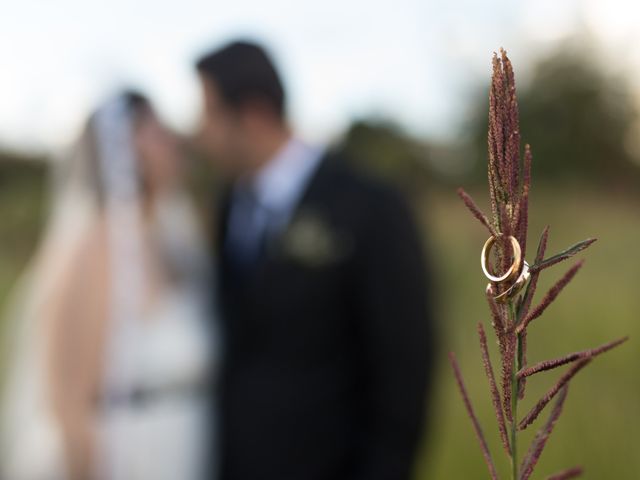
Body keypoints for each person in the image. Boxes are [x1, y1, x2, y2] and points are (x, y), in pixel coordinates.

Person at [196, 40, 435, 480]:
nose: (200, 132)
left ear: (252, 114)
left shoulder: (371, 206)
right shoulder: (229, 204)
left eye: (208, 113)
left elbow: (404, 368)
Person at [0, 92, 218, 480]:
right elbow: (66, 401)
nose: (172, 141)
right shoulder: (91, 249)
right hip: (128, 456)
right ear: (124, 147)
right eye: (155, 131)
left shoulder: (176, 239)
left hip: (185, 444)